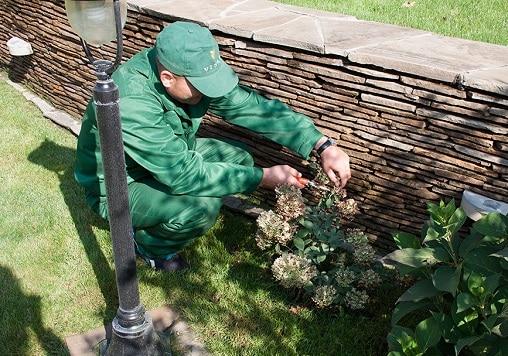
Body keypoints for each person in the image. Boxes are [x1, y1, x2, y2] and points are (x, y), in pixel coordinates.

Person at [74, 21, 351, 271]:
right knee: (201, 207)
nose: (210, 90)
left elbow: (253, 108)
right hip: (120, 185)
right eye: (201, 85)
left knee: (239, 158)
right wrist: (263, 178)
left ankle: (171, 216)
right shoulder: (133, 100)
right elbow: (183, 174)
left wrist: (323, 145)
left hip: (166, 159)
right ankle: (148, 245)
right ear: (168, 78)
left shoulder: (184, 67)